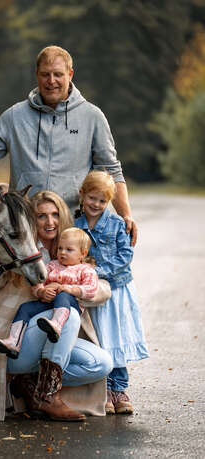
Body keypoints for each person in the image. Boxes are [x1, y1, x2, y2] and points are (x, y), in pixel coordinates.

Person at [0, 45, 137, 245]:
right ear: (36, 75)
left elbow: (110, 170)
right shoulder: (14, 117)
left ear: (70, 74)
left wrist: (126, 214)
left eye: (58, 74)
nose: (51, 81)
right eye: (45, 74)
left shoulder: (92, 117)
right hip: (26, 229)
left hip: (74, 228)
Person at [0, 190, 113, 421]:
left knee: (102, 363)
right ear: (30, 220)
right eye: (41, 216)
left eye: (55, 214)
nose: (49, 222)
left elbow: (102, 286)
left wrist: (74, 290)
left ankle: (31, 383)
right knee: (70, 315)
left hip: (55, 339)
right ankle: (48, 397)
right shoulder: (17, 250)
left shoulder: (70, 245)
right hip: (19, 341)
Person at [75, 170, 149, 415]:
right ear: (82, 195)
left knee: (116, 337)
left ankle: (120, 389)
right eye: (92, 198)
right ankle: (105, 389)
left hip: (116, 290)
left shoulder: (117, 224)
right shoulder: (76, 226)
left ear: (108, 202)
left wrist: (99, 272)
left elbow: (125, 256)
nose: (96, 205)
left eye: (102, 201)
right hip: (93, 293)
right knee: (101, 338)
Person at [0, 228, 99, 358]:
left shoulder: (85, 270)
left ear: (83, 254)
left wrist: (70, 289)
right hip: (49, 302)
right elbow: (38, 281)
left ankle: (56, 325)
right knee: (25, 308)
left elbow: (91, 289)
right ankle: (14, 342)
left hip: (70, 304)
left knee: (63, 294)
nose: (62, 253)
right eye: (60, 248)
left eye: (69, 250)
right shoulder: (52, 265)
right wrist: (42, 292)